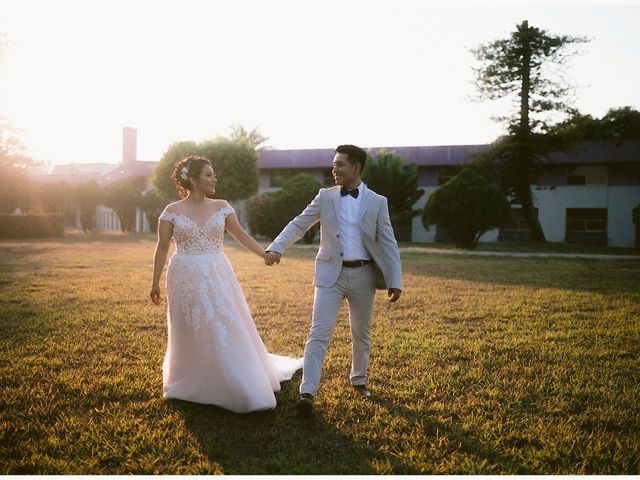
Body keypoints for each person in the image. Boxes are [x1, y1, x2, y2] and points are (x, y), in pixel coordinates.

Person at [150, 155, 303, 414]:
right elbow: (162, 247)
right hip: (184, 273)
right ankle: (191, 378)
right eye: (208, 175)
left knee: (224, 321)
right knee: (188, 325)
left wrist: (264, 254)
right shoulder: (171, 212)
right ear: (193, 179)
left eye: (213, 174)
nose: (214, 179)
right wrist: (154, 282)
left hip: (216, 271)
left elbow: (241, 235)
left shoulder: (222, 206)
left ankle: (236, 379)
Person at [265, 144, 402, 415]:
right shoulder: (324, 197)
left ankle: (359, 380)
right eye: (334, 163)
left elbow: (388, 243)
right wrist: (277, 246)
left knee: (361, 333)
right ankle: (308, 391)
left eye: (340, 164)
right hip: (330, 274)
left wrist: (395, 280)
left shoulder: (378, 202)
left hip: (363, 275)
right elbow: (299, 223)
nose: (334, 169)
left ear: (356, 168)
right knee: (319, 332)